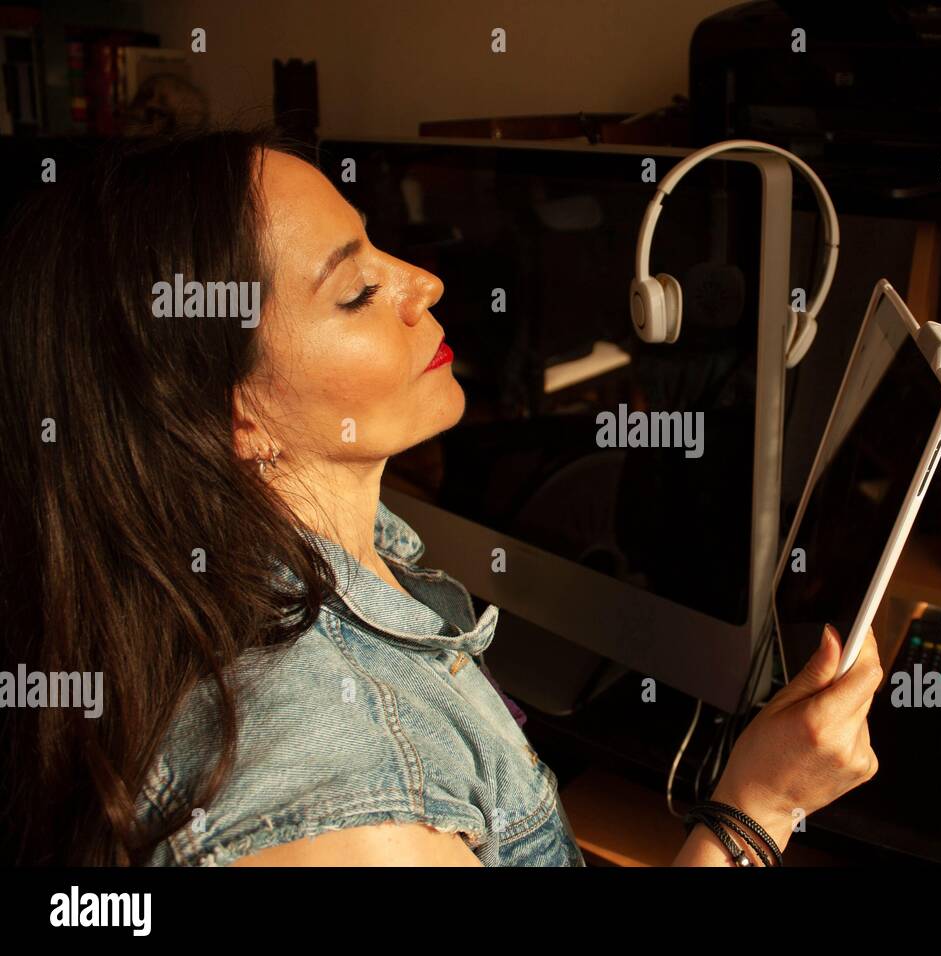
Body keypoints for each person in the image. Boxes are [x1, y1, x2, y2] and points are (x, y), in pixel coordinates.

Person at [0, 128, 882, 866]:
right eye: (357, 292)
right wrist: (757, 807)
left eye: (378, 245)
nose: (425, 283)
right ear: (235, 420)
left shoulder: (285, 561)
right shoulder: (352, 811)